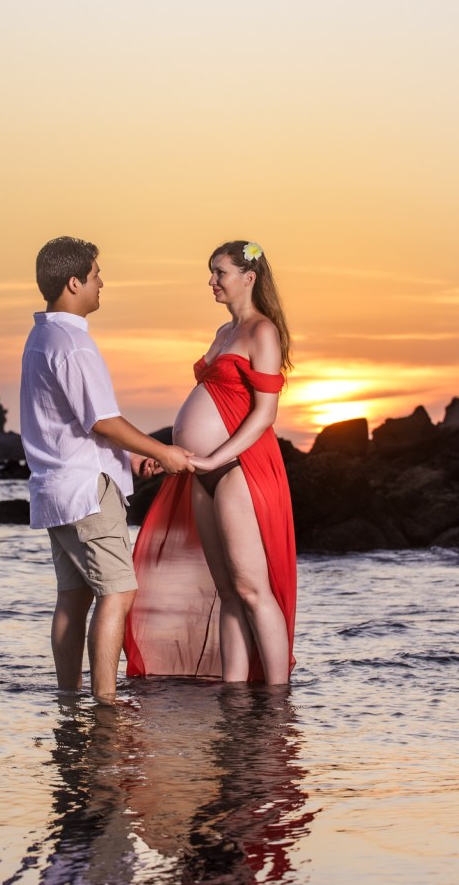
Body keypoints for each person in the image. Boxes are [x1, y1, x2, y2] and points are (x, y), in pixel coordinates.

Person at [21, 236, 195, 704]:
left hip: (54, 487)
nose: (102, 283)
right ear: (74, 282)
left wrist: (127, 459)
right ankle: (105, 704)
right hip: (85, 492)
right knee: (117, 594)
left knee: (73, 599)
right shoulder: (74, 343)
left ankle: (68, 698)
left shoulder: (40, 337)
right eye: (96, 274)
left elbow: (71, 423)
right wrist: (162, 453)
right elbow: (101, 420)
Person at [125, 240, 296, 684]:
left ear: (248, 278)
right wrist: (169, 457)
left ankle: (279, 699)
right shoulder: (223, 334)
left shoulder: (263, 332)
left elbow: (264, 414)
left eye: (219, 272)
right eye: (212, 272)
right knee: (228, 593)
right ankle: (234, 694)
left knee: (253, 590)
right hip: (203, 470)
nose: (212, 281)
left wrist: (214, 457)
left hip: (243, 468)